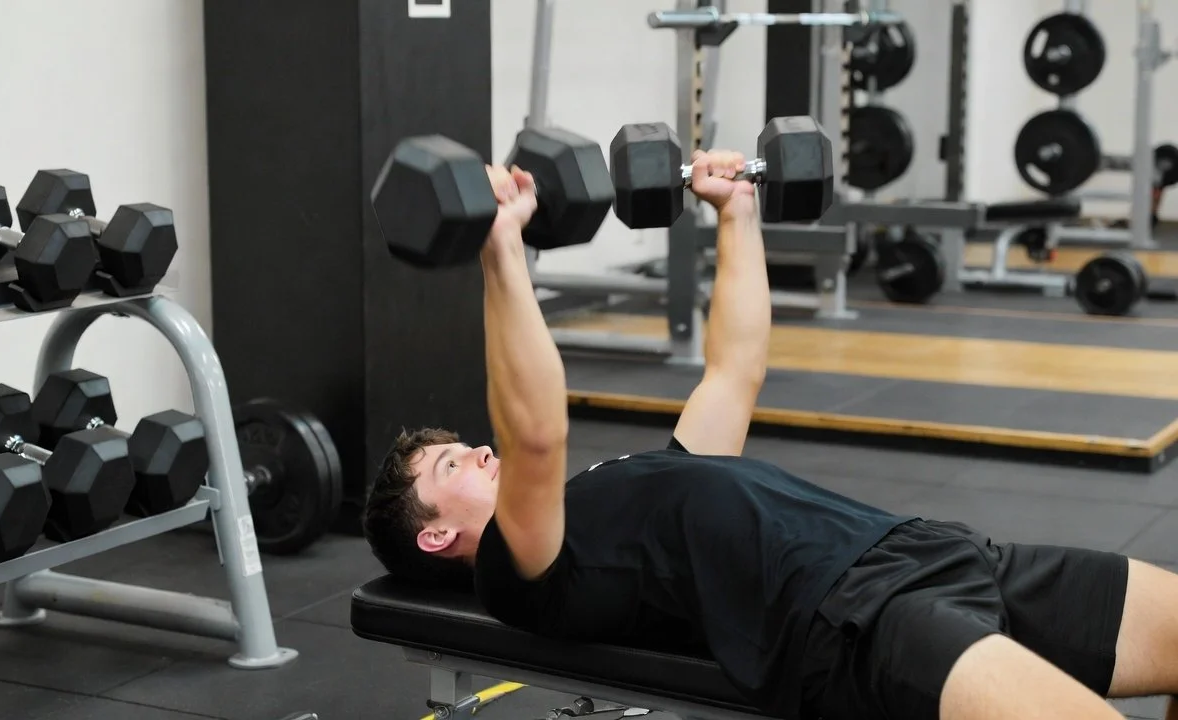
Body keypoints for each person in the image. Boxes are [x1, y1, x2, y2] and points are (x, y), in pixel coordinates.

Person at [361, 150, 1178, 720]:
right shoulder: (519, 571)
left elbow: (734, 371)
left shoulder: (628, 488)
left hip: (931, 550)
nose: (480, 449)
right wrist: (501, 250)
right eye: (450, 464)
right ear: (436, 535)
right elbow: (537, 434)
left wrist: (736, 213)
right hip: (858, 622)